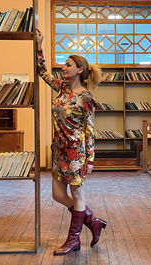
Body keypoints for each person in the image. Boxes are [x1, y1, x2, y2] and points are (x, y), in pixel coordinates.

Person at [35, 29, 108, 256]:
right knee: (58, 195)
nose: (63, 68)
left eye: (67, 65)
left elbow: (90, 130)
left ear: (79, 70)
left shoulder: (86, 98)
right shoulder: (61, 88)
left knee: (78, 195)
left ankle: (73, 240)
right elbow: (42, 71)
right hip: (59, 151)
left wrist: (90, 159)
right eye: (63, 64)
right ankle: (92, 221)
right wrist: (39, 46)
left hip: (76, 152)